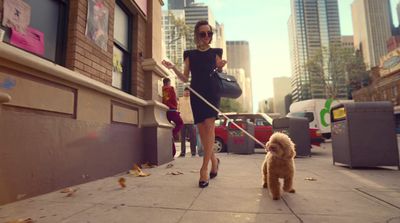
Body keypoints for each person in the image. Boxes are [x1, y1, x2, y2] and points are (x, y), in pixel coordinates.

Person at [162, 20, 227, 188]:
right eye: (203, 33)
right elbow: (184, 78)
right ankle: (214, 160)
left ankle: (204, 169)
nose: (207, 37)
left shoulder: (216, 52)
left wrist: (220, 67)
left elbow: (219, 71)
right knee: (202, 131)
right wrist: (173, 68)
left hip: (212, 93)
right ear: (197, 35)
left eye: (209, 33)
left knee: (209, 126)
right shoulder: (189, 54)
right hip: (196, 94)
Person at [162, 77, 183, 157]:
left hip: (165, 111)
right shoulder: (171, 88)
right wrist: (175, 107)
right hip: (172, 110)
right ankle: (172, 133)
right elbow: (174, 99)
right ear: (169, 83)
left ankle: (172, 152)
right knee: (180, 123)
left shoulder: (162, 89)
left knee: (167, 129)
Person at [178, 87, 196, 157]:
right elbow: (178, 109)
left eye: (188, 92)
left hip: (191, 121)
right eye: (186, 91)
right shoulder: (180, 99)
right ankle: (183, 152)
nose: (187, 93)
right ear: (184, 92)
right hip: (182, 121)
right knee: (182, 138)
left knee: (193, 138)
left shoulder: (192, 100)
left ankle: (193, 152)